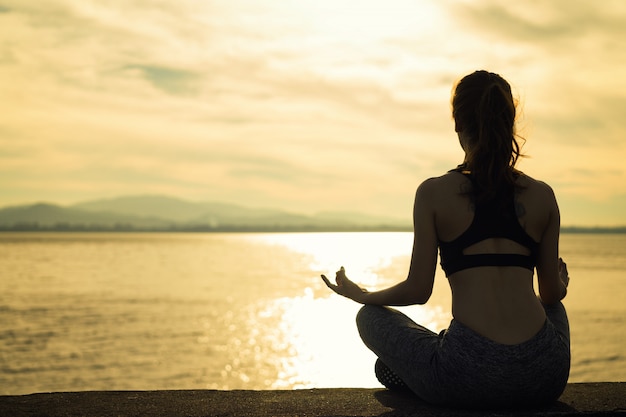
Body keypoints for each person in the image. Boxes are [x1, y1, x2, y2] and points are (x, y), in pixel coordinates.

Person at [321, 70, 570, 409]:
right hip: (545, 376)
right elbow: (550, 294)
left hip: (467, 377)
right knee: (553, 308)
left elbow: (418, 290)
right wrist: (561, 284)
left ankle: (419, 366)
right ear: (509, 122)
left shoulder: (434, 193)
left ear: (457, 123)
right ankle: (426, 361)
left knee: (369, 316)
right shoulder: (543, 196)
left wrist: (362, 295)